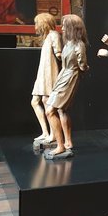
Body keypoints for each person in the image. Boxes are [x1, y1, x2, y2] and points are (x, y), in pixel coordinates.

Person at [44, 15, 88, 159]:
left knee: (50, 111)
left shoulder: (79, 45)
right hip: (63, 76)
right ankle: (67, 142)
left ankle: (60, 145)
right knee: (62, 110)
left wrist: (83, 68)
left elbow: (82, 65)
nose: (62, 28)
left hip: (70, 77)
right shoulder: (69, 43)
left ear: (72, 28)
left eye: (64, 26)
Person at [31, 13, 62, 144]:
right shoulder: (48, 37)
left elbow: (59, 54)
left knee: (47, 101)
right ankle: (45, 132)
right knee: (35, 101)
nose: (36, 27)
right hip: (43, 73)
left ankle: (53, 134)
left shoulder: (54, 35)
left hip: (50, 72)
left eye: (37, 23)